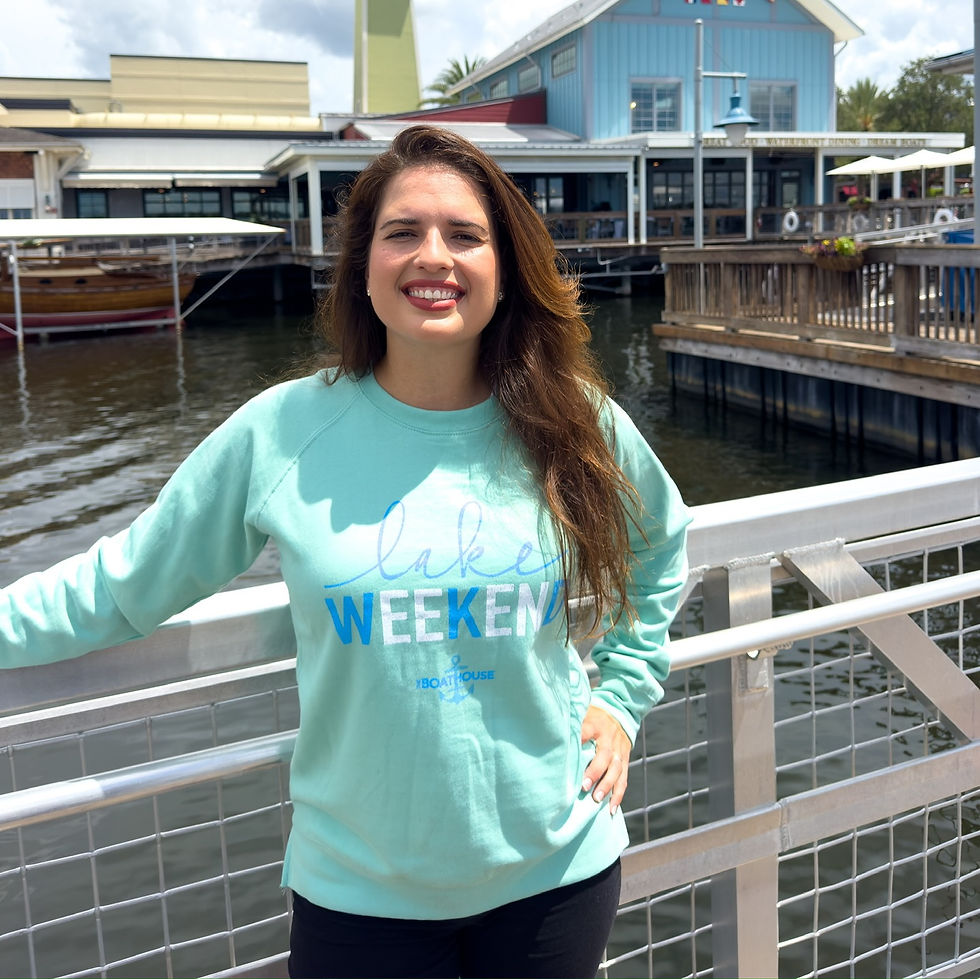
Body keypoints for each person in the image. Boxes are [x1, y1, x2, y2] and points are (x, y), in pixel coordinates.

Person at [0, 124, 690, 978]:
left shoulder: (573, 419)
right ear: (362, 265)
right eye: (402, 232)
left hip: (556, 872)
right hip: (361, 895)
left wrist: (621, 698)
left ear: (505, 268)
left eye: (464, 235)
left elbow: (663, 545)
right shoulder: (283, 430)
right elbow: (125, 583)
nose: (432, 256)